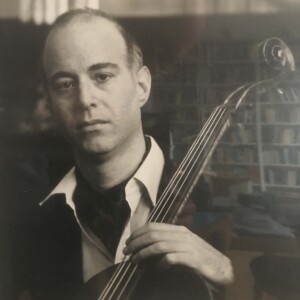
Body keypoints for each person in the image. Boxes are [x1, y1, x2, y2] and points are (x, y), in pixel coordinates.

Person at [21, 8, 233, 300]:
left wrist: (231, 282)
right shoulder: (31, 222)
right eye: (66, 84)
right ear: (52, 102)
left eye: (103, 76)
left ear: (142, 85)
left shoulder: (210, 205)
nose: (85, 100)